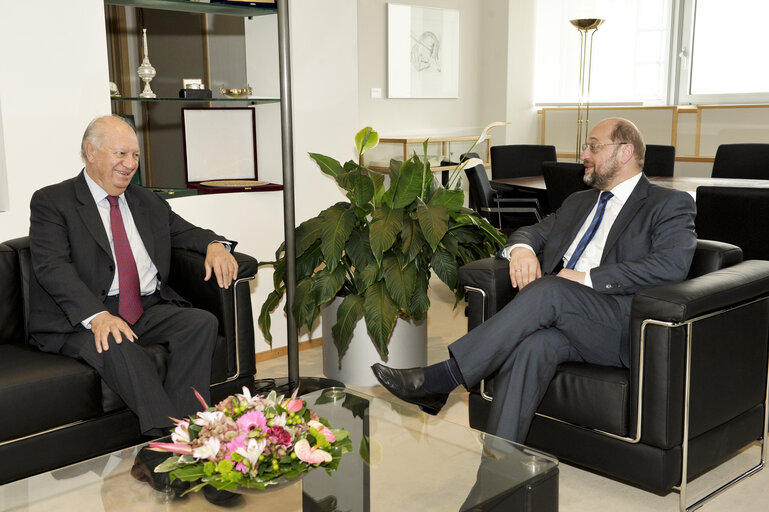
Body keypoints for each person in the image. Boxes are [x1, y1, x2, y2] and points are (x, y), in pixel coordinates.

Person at [372, 118, 697, 443]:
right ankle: (500, 472)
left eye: (593, 146)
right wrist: (523, 251)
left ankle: (445, 377)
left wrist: (587, 279)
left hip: (619, 324)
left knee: (552, 288)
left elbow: (671, 265)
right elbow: (531, 232)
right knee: (533, 347)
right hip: (563, 319)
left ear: (625, 152)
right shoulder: (578, 201)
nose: (584, 154)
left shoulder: (668, 204)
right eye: (585, 146)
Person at [28, 115, 239, 439]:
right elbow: (52, 267)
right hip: (82, 317)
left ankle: (191, 427)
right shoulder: (53, 202)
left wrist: (214, 245)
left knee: (201, 322)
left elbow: (187, 233)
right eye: (121, 154)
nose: (130, 164)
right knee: (118, 340)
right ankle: (172, 440)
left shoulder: (147, 201)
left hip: (146, 307)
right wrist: (97, 316)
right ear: (91, 152)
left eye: (135, 155)